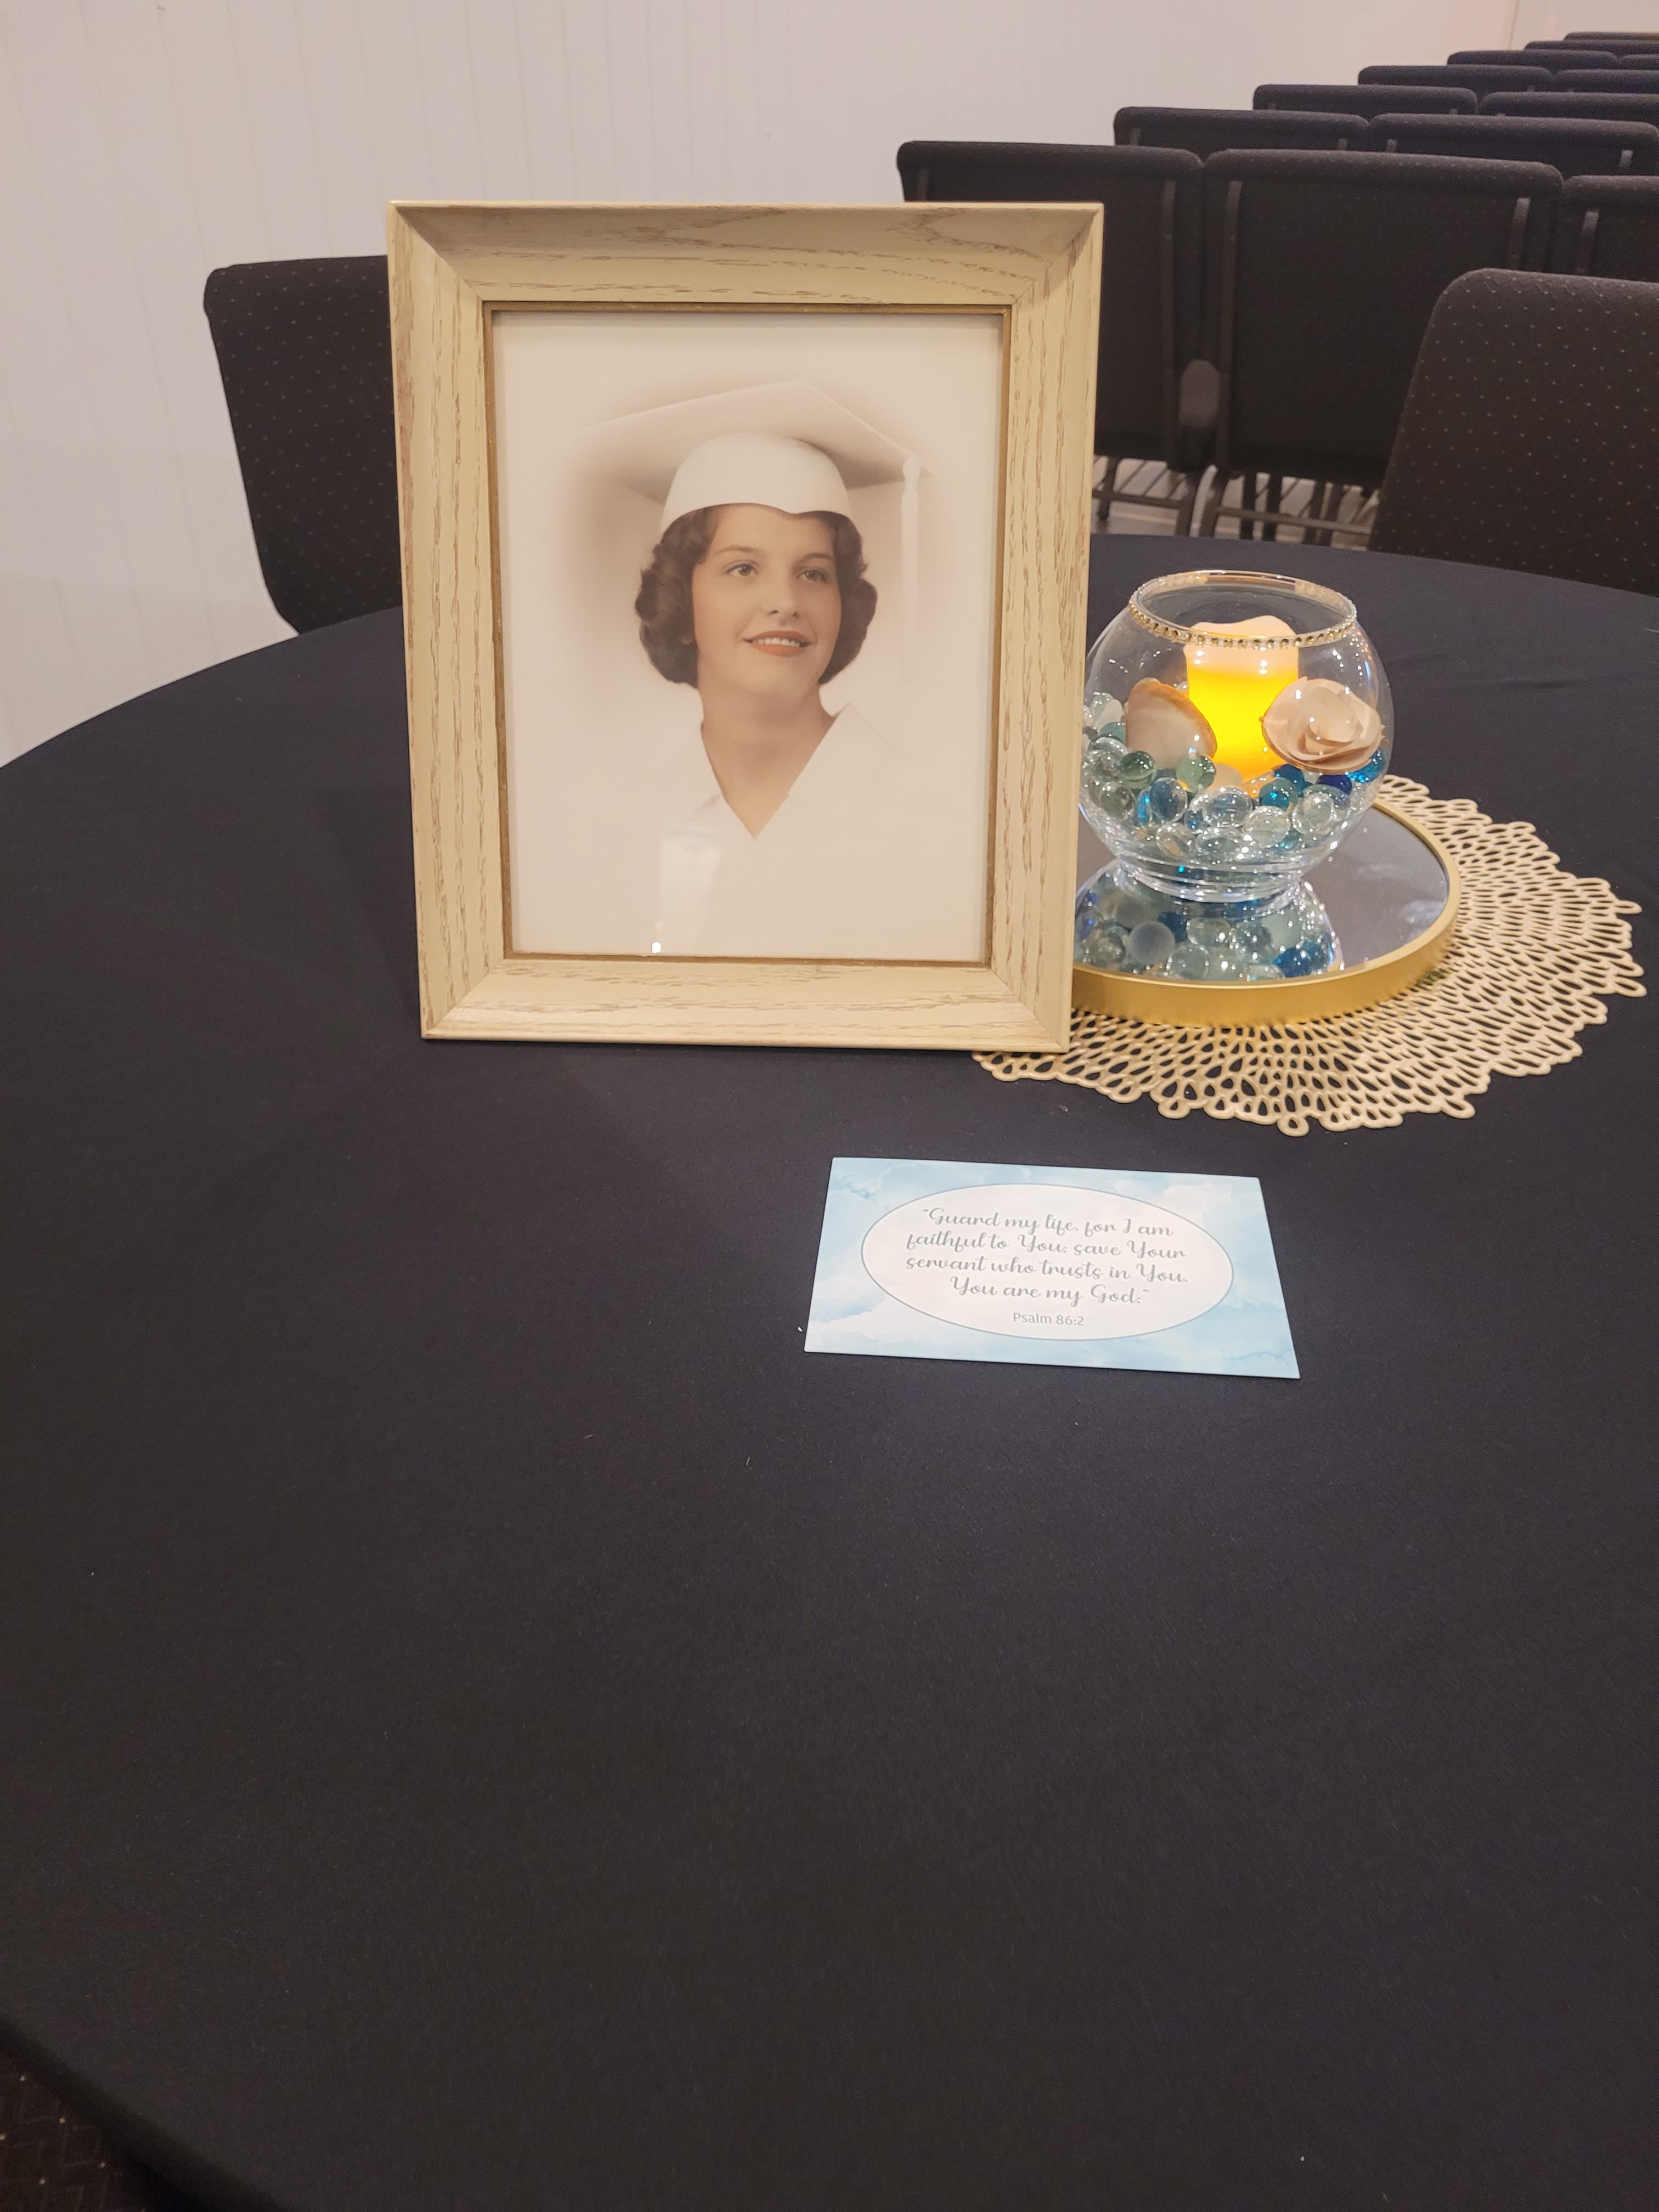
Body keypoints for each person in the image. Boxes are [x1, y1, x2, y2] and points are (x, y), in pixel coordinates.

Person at [583, 385, 944, 959]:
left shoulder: (925, 809)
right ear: (681, 603)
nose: (785, 601)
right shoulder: (623, 819)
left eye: (814, 574)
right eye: (743, 568)